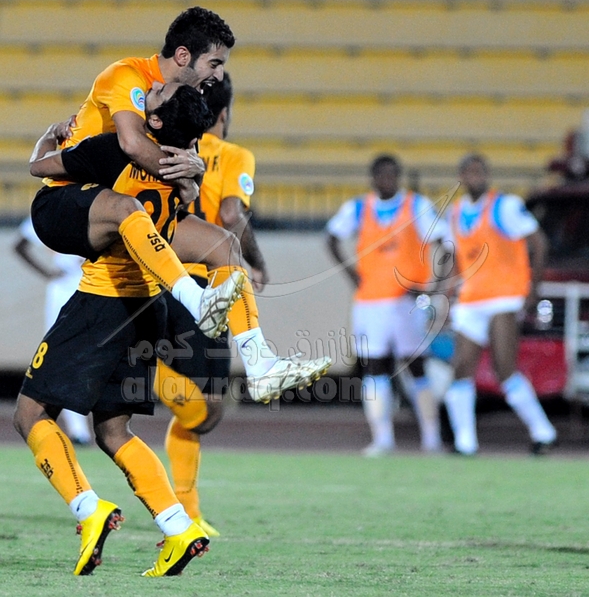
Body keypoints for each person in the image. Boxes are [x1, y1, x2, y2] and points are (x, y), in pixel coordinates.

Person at [14, 82, 220, 578]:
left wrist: (48, 138)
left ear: (154, 122)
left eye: (154, 98)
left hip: (102, 301)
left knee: (29, 413)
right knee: (112, 429)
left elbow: (40, 169)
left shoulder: (115, 150)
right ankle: (179, 526)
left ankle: (89, 509)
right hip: (147, 306)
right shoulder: (182, 171)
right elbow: (186, 205)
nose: (146, 93)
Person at [155, 73, 330, 535]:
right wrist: (255, 260)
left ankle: (189, 512)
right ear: (225, 114)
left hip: (164, 277)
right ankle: (140, 372)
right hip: (207, 287)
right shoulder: (233, 155)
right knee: (205, 410)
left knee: (203, 412)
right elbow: (232, 215)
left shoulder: (169, 147)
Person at [32, 6, 240, 342]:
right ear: (183, 56)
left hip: (123, 213)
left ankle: (260, 359)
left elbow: (187, 193)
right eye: (214, 63)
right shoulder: (128, 76)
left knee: (225, 245)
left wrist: (194, 175)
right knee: (128, 208)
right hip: (65, 202)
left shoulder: (182, 105)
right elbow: (131, 143)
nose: (218, 74)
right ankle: (193, 298)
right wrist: (185, 178)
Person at [326, 154, 445, 456]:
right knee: (375, 367)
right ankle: (382, 438)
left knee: (416, 367)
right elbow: (331, 238)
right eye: (381, 175)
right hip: (370, 302)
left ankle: (431, 437)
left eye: (392, 175)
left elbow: (444, 240)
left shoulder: (416, 206)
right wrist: (353, 274)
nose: (387, 180)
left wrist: (433, 285)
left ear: (399, 177)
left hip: (406, 301)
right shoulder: (358, 208)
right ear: (373, 178)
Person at [442, 153, 558, 456]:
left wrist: (532, 289)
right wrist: (449, 293)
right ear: (461, 177)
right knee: (461, 368)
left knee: (504, 369)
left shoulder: (504, 206)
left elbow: (539, 243)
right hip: (471, 299)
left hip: (503, 297)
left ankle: (542, 431)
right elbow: (456, 258)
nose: (476, 176)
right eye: (470, 171)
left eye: (481, 170)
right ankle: (465, 442)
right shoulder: (455, 212)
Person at [13, 218, 92, 445]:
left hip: (95, 286)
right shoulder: (51, 209)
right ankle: (78, 430)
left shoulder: (95, 206)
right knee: (64, 358)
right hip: (65, 289)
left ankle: (91, 425)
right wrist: (47, 273)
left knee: (89, 357)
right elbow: (20, 245)